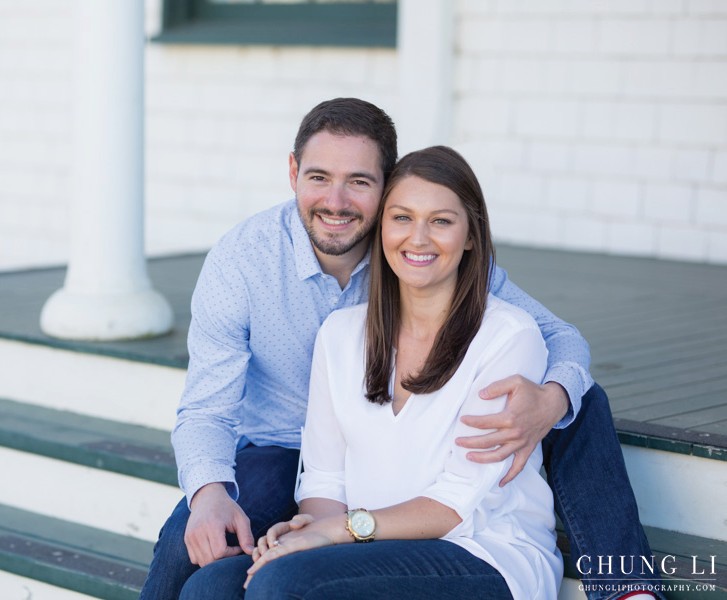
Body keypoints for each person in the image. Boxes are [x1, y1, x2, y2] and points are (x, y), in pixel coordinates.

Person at [138, 98, 661, 600]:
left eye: (359, 182)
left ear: (386, 188)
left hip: (409, 480)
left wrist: (552, 400)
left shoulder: (420, 251)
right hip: (282, 450)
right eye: (319, 177)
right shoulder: (244, 262)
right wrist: (209, 492)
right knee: (196, 542)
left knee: (580, 400)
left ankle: (626, 587)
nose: (336, 202)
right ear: (294, 173)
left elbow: (557, 337)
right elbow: (207, 407)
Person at [179, 145, 560, 600]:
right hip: (366, 544)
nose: (418, 238)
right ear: (382, 229)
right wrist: (308, 530)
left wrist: (336, 532)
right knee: (211, 587)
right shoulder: (340, 334)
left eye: (440, 221)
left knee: (284, 584)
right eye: (401, 218)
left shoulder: (507, 337)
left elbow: (458, 502)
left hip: (483, 552)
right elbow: (323, 478)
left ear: (471, 235)